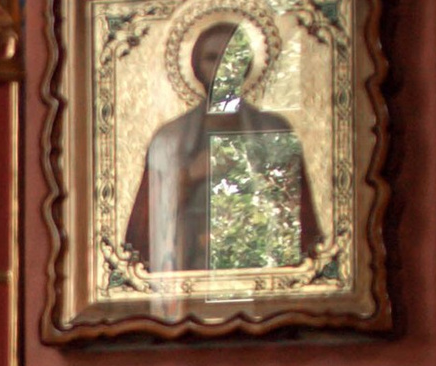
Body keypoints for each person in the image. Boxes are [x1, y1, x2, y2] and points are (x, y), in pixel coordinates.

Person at [124, 14, 319, 282]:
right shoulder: (169, 138)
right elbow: (143, 236)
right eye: (213, 58)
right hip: (188, 270)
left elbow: (299, 226)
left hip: (259, 273)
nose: (223, 68)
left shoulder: (273, 130)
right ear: (196, 67)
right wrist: (189, 176)